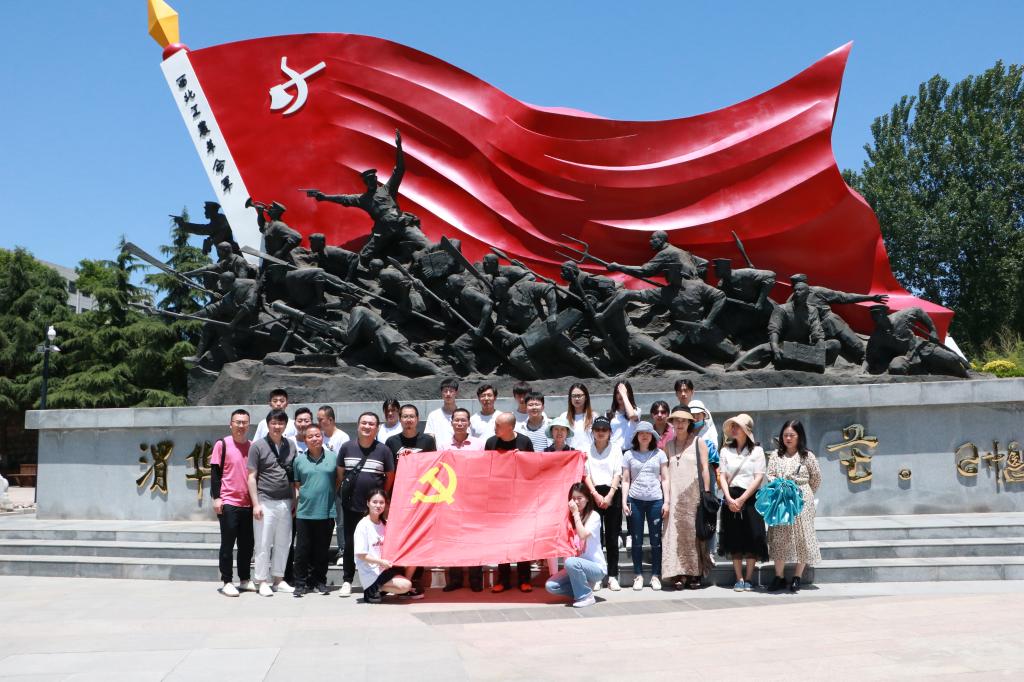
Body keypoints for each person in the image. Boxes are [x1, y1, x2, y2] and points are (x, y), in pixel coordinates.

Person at [336, 412, 396, 598]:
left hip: (375, 508)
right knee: (350, 543)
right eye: (364, 423)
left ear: (377, 428)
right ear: (358, 425)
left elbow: (390, 477)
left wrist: (380, 500)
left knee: (379, 543)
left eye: (371, 424)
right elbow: (340, 474)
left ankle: (379, 579)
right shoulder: (347, 447)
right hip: (351, 505)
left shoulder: (384, 450)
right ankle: (347, 580)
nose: (367, 426)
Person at [661, 406, 714, 590]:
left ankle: (694, 573)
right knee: (675, 534)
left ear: (690, 423)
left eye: (683, 420)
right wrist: (666, 498)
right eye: (676, 420)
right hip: (674, 495)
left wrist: (707, 492)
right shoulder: (668, 445)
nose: (680, 423)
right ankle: (678, 573)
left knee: (693, 535)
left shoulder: (699, 442)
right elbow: (665, 473)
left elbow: (705, 469)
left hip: (693, 493)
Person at [766, 420, 822, 593]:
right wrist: (780, 485)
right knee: (779, 535)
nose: (788, 438)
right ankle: (779, 576)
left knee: (803, 535)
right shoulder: (776, 455)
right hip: (781, 499)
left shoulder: (807, 456)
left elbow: (816, 478)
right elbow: (770, 474)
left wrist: (804, 492)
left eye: (792, 435)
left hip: (802, 499)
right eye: (785, 435)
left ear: (799, 436)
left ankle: (797, 576)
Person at [246, 409, 296, 596]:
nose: (277, 426)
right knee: (263, 542)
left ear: (285, 425)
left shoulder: (290, 445)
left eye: (281, 423)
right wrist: (255, 504)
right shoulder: (257, 446)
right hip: (265, 500)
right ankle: (261, 580)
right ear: (267, 424)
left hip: (286, 501)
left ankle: (278, 579)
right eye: (274, 423)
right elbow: (251, 477)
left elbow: (292, 476)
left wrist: (294, 500)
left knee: (284, 542)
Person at [716, 414, 768, 592]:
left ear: (746, 430)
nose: (734, 429)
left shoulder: (757, 451)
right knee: (734, 537)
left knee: (753, 536)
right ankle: (738, 578)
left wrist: (742, 499)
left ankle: (749, 578)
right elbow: (722, 475)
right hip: (731, 496)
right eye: (732, 426)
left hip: (751, 498)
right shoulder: (725, 450)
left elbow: (759, 477)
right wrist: (729, 498)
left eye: (737, 426)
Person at [485, 413, 534, 592]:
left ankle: (524, 579)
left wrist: (521, 459)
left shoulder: (525, 442)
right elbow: (485, 468)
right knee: (502, 540)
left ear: (510, 427)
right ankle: (503, 580)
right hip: (499, 499)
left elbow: (533, 468)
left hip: (521, 500)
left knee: (522, 539)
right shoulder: (491, 443)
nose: (495, 428)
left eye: (498, 425)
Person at [211, 409, 254, 597]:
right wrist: (216, 498)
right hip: (228, 502)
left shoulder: (253, 446)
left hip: (248, 503)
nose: (241, 425)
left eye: (244, 422)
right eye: (238, 422)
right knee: (228, 544)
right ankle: (227, 581)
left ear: (249, 425)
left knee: (247, 545)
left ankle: (244, 579)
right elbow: (215, 474)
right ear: (231, 424)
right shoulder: (222, 444)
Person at [291, 423, 338, 597]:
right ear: (305, 440)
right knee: (302, 551)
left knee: (322, 551)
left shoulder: (333, 458)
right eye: (310, 436)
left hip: (326, 511)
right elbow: (297, 484)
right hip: (305, 512)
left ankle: (320, 582)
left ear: (322, 437)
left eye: (317, 435)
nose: (314, 439)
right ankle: (300, 583)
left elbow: (337, 481)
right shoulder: (299, 460)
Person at [622, 421, 669, 591]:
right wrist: (624, 501)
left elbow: (665, 479)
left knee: (656, 540)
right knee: (636, 539)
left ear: (652, 436)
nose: (644, 436)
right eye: (641, 433)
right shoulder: (628, 454)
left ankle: (656, 575)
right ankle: (638, 575)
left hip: (655, 500)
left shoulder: (660, 454)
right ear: (636, 436)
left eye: (647, 433)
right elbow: (625, 479)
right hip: (635, 499)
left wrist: (667, 501)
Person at [545, 483, 607, 608]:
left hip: (596, 568)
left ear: (587, 499)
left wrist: (575, 514)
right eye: (573, 499)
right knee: (551, 586)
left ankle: (586, 596)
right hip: (577, 566)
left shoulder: (594, 516)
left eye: (580, 498)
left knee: (570, 562)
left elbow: (583, 535)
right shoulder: (570, 518)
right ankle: (584, 589)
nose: (576, 502)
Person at [355, 489, 416, 603]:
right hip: (372, 572)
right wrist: (381, 562)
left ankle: (401, 589)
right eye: (375, 502)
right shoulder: (363, 526)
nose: (378, 505)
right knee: (406, 585)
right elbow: (361, 555)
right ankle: (372, 589)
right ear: (368, 503)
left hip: (386, 567)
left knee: (413, 559)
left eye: (381, 502)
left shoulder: (384, 524)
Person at [583, 416, 623, 591]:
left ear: (610, 432)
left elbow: (618, 473)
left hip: (612, 493)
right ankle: (597, 575)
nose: (600, 433)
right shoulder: (586, 449)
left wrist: (610, 495)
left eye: (604, 430)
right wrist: (595, 494)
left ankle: (612, 576)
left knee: (612, 537)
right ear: (592, 432)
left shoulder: (616, 449)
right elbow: (586, 474)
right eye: (597, 429)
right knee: (595, 539)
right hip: (593, 494)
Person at [675, 379, 718, 444]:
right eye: (680, 391)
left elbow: (711, 433)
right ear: (676, 394)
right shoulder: (674, 413)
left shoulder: (704, 411)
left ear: (692, 392)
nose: (683, 394)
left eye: (686, 391)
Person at [559, 383, 598, 452]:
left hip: (589, 455)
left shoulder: (594, 416)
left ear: (586, 397)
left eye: (579, 396)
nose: (576, 399)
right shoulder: (564, 417)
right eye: (574, 396)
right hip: (571, 455)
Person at [424, 378, 460, 445]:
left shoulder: (462, 414)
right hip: (439, 451)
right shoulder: (433, 415)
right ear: (441, 393)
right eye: (445, 391)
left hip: (459, 450)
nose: (448, 394)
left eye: (451, 391)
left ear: (456, 393)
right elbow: (429, 436)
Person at [607, 380, 640, 450]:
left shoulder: (636, 410)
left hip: (631, 451)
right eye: (618, 392)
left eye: (623, 392)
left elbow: (631, 415)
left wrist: (624, 395)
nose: (620, 395)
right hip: (614, 451)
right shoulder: (609, 413)